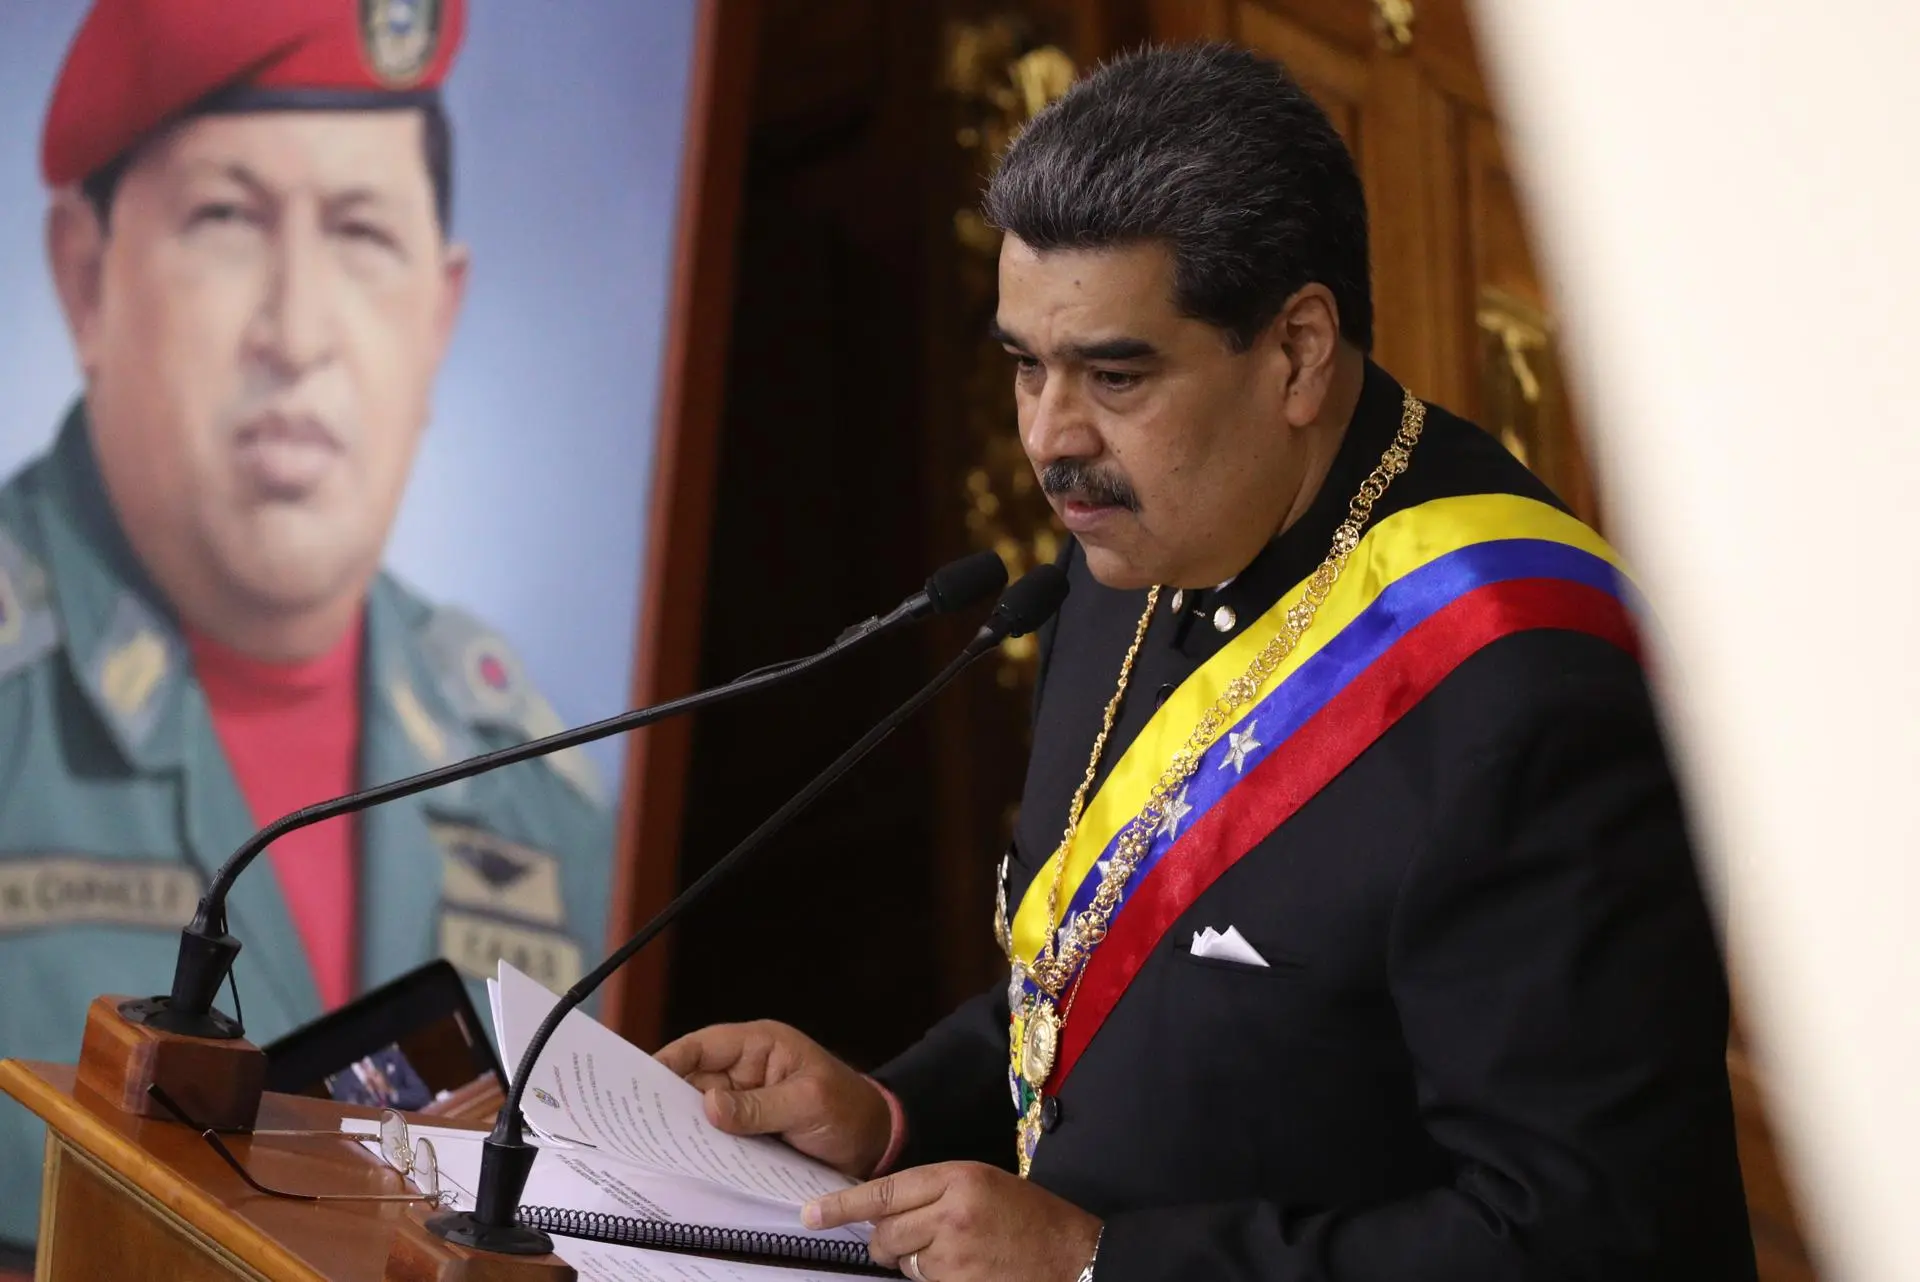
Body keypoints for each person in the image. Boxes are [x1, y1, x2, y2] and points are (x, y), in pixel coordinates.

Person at [657, 43, 1757, 1281]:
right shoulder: (1132, 534)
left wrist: (1098, 1264)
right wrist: (887, 1115)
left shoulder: (1528, 689)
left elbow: (1588, 1238)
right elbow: (1106, 989)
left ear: (1295, 350)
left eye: (1115, 375)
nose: (1049, 441)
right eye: (1026, 362)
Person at [0, 0, 611, 1255]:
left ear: (438, 317)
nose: (298, 328)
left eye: (360, 231)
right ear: (84, 279)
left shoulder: (535, 788)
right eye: (226, 220)